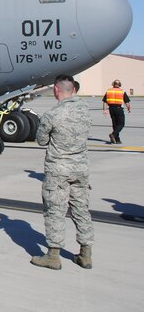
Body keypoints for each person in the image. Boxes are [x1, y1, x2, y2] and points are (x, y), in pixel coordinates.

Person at [31, 74, 94, 270]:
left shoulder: (52, 115)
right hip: (81, 168)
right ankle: (86, 254)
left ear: (56, 90)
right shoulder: (85, 110)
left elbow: (41, 140)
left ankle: (53, 256)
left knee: (55, 211)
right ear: (73, 89)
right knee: (81, 210)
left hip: (58, 169)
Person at [102, 79, 131, 144]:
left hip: (111, 109)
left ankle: (117, 139)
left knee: (115, 124)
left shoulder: (109, 91)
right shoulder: (122, 91)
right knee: (121, 124)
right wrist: (128, 108)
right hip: (119, 109)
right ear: (120, 84)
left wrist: (104, 110)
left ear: (113, 84)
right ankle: (113, 134)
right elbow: (127, 102)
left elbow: (104, 101)